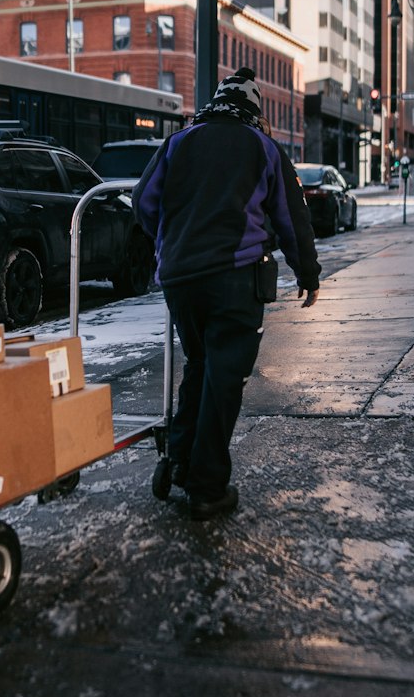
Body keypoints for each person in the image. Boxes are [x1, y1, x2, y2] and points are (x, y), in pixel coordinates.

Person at [132, 67, 320, 521]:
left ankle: (179, 463)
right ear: (255, 110)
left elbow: (143, 201)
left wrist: (173, 242)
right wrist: (307, 274)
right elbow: (291, 217)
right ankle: (207, 488)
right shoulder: (263, 146)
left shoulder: (179, 141)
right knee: (224, 381)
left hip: (181, 279)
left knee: (199, 366)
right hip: (235, 278)